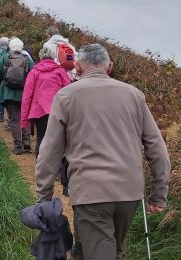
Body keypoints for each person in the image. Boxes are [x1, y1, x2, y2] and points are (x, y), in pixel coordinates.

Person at [34, 44, 171, 260]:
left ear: (77, 67)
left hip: (91, 191)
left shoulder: (66, 96)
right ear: (110, 66)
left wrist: (44, 197)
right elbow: (157, 148)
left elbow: (50, 151)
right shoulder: (134, 95)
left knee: (100, 251)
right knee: (114, 250)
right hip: (129, 192)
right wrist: (158, 194)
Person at [20, 47, 71, 157]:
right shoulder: (60, 71)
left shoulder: (34, 72)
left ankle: (40, 168)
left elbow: (27, 96)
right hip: (58, 110)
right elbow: (69, 92)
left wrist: (24, 120)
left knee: (41, 138)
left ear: (40, 57)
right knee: (59, 139)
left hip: (40, 111)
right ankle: (58, 169)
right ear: (53, 57)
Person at [0, 37, 34, 155]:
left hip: (9, 94)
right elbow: (33, 74)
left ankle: (18, 146)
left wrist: (4, 80)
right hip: (24, 93)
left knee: (14, 120)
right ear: (21, 48)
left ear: (10, 47)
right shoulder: (26, 59)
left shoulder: (5, 57)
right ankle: (27, 142)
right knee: (25, 117)